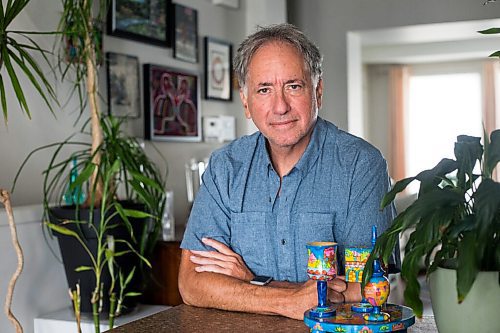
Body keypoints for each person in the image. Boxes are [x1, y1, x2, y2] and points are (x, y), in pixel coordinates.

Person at [178, 23, 397, 320]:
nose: (280, 106)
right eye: (264, 89)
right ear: (245, 101)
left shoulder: (362, 165)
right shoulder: (224, 168)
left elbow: (370, 287)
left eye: (293, 86)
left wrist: (250, 280)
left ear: (318, 91)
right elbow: (192, 284)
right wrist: (287, 299)